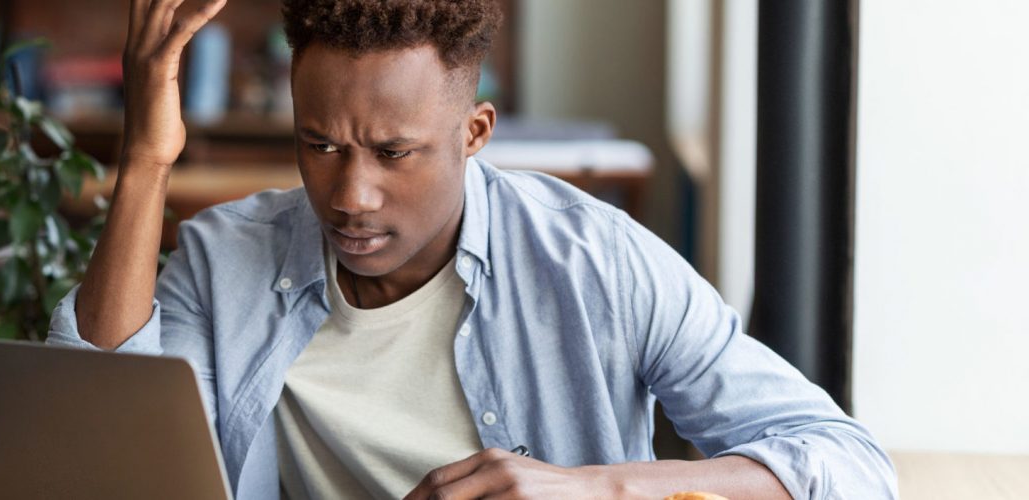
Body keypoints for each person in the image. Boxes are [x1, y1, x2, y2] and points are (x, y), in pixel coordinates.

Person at [47, 0, 897, 498]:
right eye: (322, 146)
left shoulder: (593, 260)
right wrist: (146, 160)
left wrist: (595, 489)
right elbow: (98, 442)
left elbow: (850, 467)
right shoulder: (224, 259)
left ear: (475, 132)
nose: (352, 197)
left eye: (394, 152)